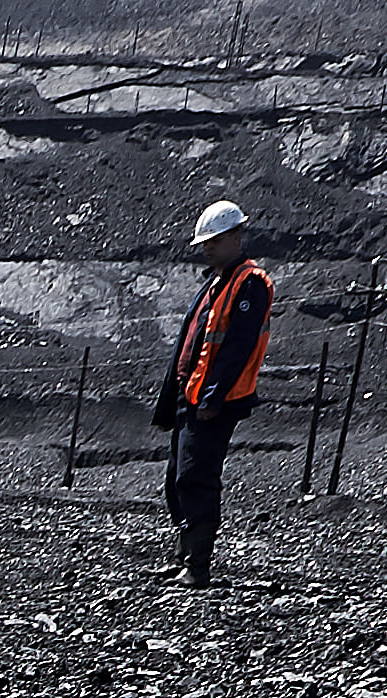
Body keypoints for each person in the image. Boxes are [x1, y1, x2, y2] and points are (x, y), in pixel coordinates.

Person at [156, 201, 274, 584]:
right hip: (191, 396)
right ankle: (185, 554)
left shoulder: (248, 284)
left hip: (212, 402)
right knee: (177, 477)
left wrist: (212, 398)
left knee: (196, 477)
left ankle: (197, 565)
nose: (207, 247)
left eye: (215, 240)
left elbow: (237, 347)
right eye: (204, 241)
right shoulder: (218, 281)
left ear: (236, 237)